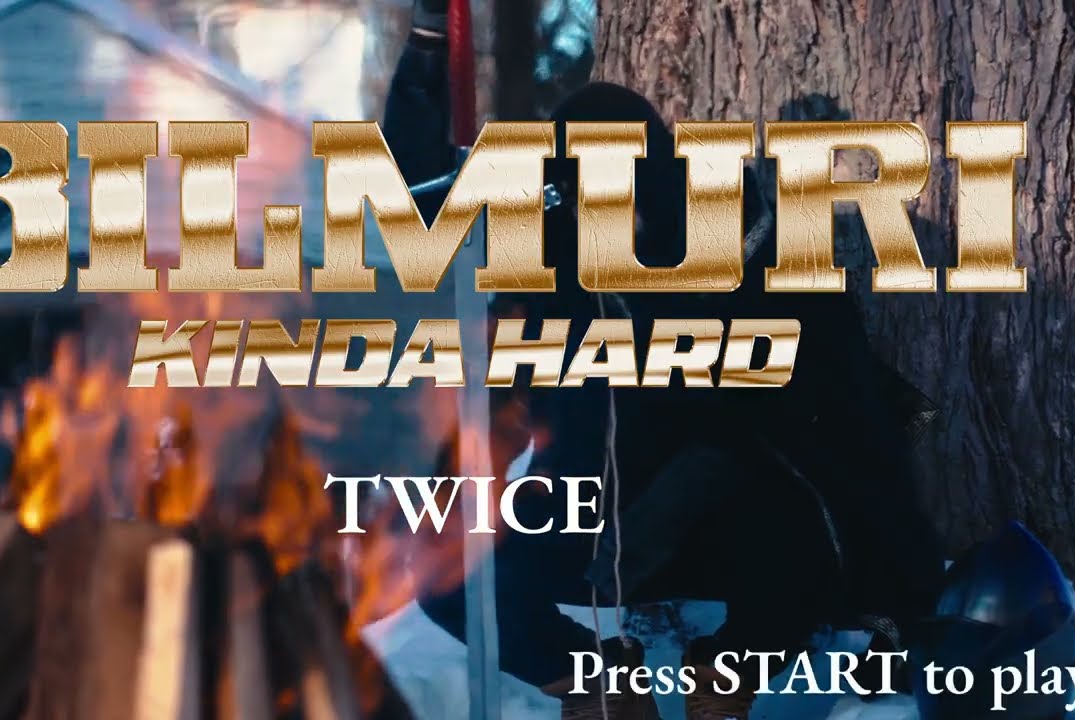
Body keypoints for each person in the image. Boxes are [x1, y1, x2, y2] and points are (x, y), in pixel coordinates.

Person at [383, 6, 947, 718]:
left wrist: (894, 602)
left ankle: (727, 675)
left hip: (737, 511)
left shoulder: (744, 247)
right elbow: (422, 201)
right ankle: (600, 684)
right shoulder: (551, 247)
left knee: (789, 562)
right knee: (446, 574)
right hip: (593, 520)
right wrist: (429, 46)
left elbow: (849, 428)